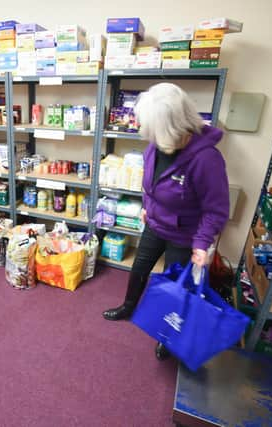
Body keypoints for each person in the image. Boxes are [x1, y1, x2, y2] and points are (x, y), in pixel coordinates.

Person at [102, 83, 230, 361]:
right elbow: (151, 185)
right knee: (139, 269)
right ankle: (128, 306)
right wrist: (148, 207)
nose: (148, 135)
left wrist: (201, 244)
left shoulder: (206, 159)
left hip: (185, 234)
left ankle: (168, 336)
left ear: (173, 125)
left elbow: (216, 209)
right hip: (155, 223)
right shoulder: (155, 146)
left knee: (176, 288)